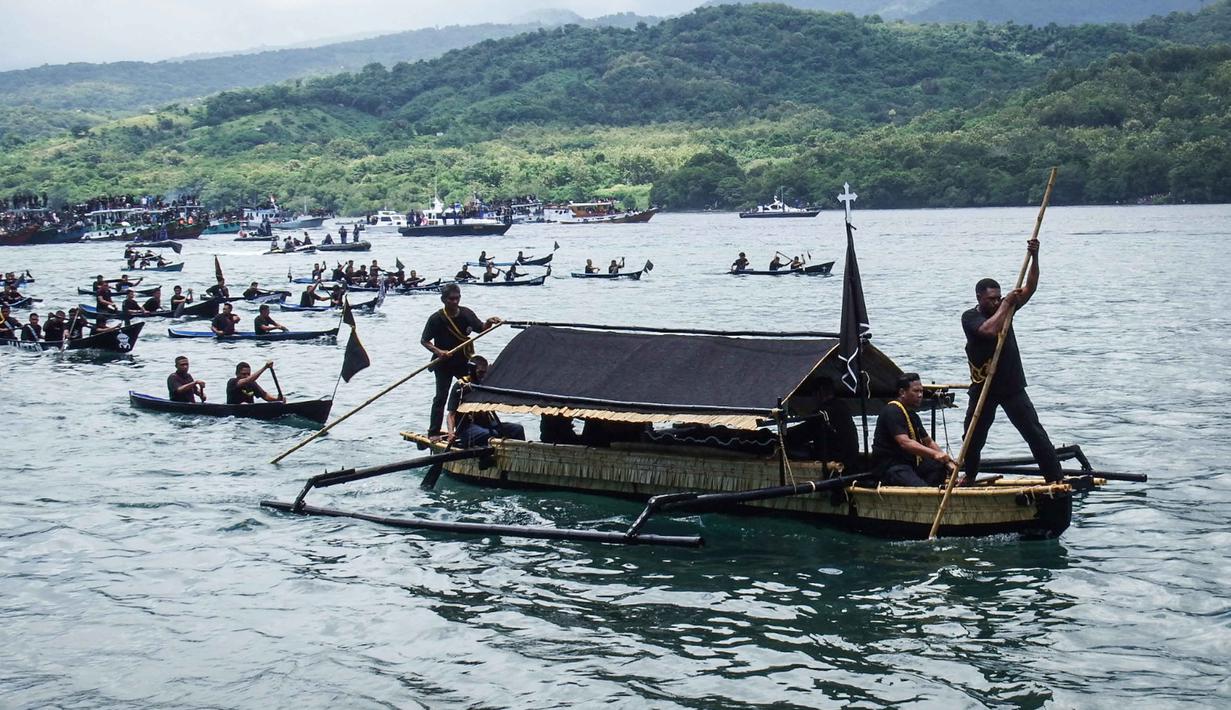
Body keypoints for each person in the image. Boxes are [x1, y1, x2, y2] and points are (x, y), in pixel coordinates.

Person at [961, 238, 1062, 485]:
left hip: (1011, 387)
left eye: (998, 298)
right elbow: (988, 331)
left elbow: (1031, 286)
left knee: (1035, 434)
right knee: (972, 438)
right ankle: (969, 475)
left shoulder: (1008, 309)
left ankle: (1055, 479)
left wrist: (1034, 257)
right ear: (979, 298)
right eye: (990, 299)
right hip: (984, 388)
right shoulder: (969, 318)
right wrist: (1006, 303)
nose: (995, 302)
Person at [421, 283, 501, 438]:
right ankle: (434, 432)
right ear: (444, 300)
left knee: (475, 392)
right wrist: (439, 352)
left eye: (457, 298)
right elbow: (425, 341)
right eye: (451, 299)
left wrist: (489, 322)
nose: (455, 302)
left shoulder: (466, 314)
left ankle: (479, 425)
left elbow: (481, 328)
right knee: (441, 397)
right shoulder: (436, 318)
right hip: (443, 364)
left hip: (463, 362)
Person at [872, 373, 952, 486]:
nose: (920, 395)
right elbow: (905, 443)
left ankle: (932, 491)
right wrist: (934, 454)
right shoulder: (892, 411)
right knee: (919, 484)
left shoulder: (912, 415)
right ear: (902, 392)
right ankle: (925, 492)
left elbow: (928, 441)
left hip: (910, 465)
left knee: (938, 466)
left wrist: (946, 460)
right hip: (892, 467)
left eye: (921, 391)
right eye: (916, 391)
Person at [445, 356, 526, 447]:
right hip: (467, 428)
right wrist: (451, 433)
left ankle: (519, 454)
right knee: (490, 434)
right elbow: (451, 415)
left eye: (485, 372)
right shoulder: (461, 386)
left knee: (517, 429)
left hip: (487, 423)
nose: (483, 376)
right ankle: (487, 459)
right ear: (471, 371)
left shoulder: (485, 383)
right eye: (480, 373)